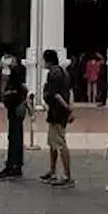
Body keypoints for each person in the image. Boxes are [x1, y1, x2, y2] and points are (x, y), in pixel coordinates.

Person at [39, 49, 75, 188]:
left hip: (57, 112)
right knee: (53, 142)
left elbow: (55, 95)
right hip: (58, 112)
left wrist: (68, 109)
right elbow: (70, 92)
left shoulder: (53, 73)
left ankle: (67, 175)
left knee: (60, 142)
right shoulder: (64, 72)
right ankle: (53, 171)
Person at [0, 54, 28, 180]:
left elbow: (5, 88)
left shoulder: (14, 74)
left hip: (14, 107)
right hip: (18, 107)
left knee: (14, 136)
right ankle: (17, 165)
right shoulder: (20, 72)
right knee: (17, 135)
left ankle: (11, 165)